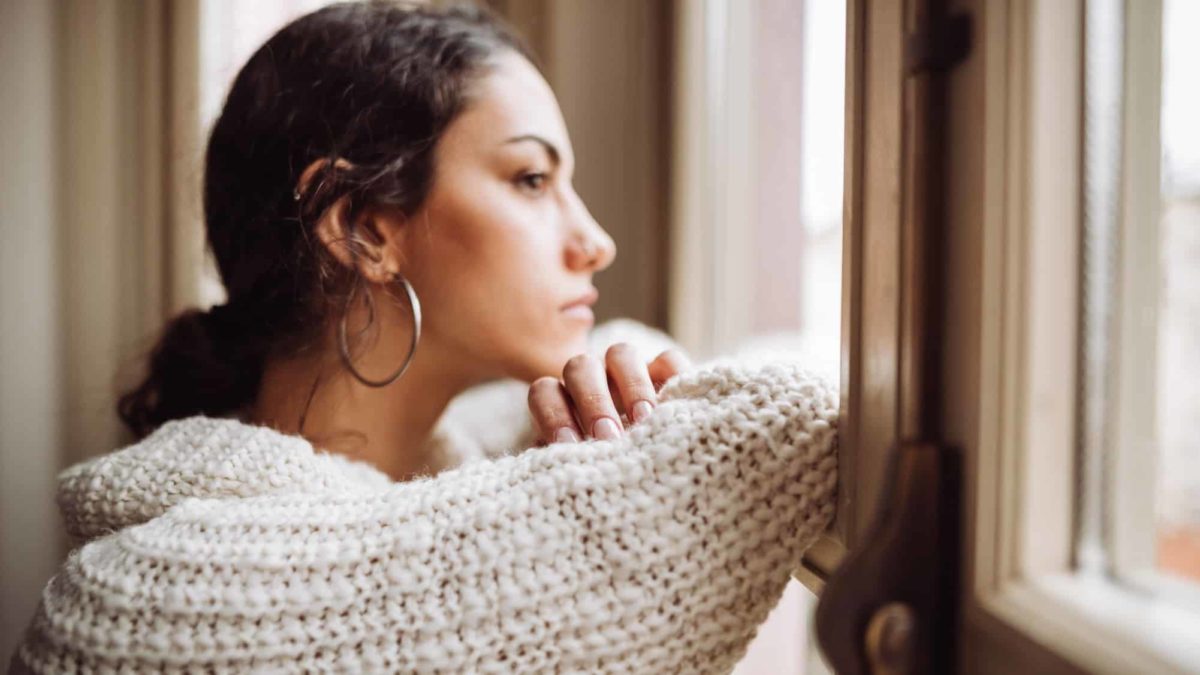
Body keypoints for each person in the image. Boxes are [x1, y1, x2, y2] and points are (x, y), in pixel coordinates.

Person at [9, 3, 838, 673]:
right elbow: (785, 417)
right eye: (532, 179)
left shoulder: (469, 483)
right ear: (363, 229)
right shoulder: (146, 607)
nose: (595, 239)